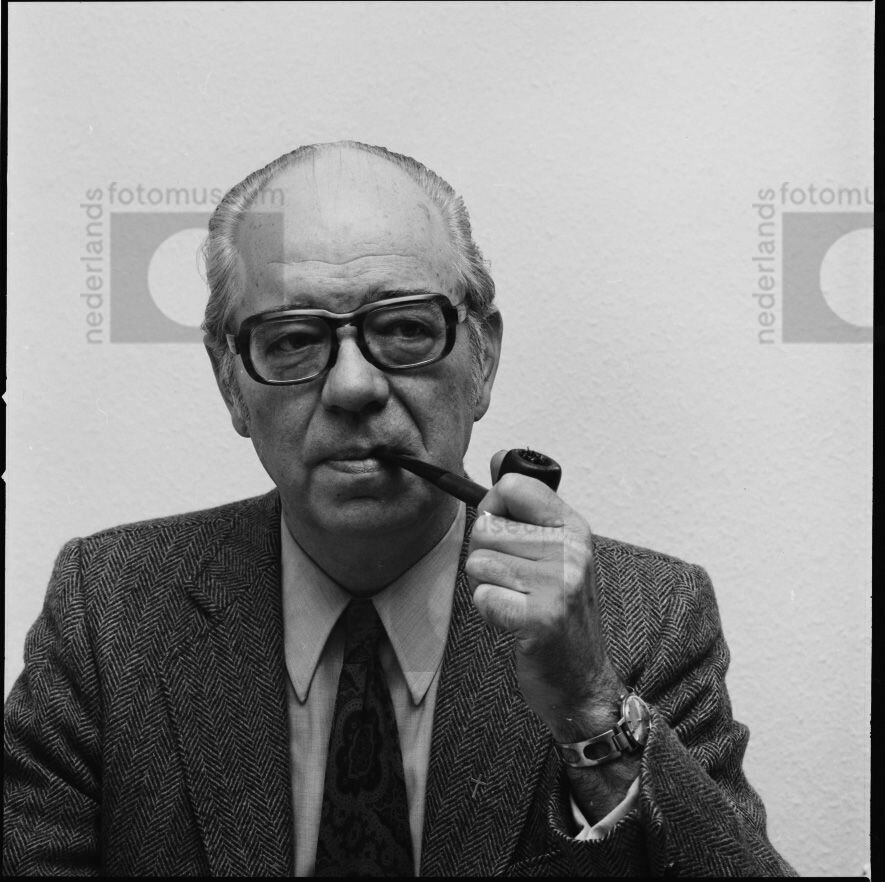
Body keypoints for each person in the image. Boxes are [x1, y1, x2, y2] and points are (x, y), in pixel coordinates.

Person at [4, 141, 796, 877]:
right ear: (229, 382)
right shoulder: (109, 610)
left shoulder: (645, 620)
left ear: (482, 359)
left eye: (405, 328)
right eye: (293, 339)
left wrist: (587, 705)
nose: (353, 387)